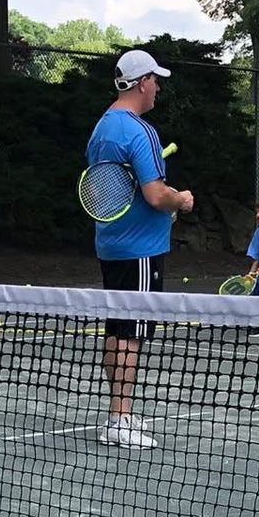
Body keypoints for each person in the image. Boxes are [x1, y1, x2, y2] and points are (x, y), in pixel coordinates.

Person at [86, 48, 194, 450]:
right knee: (131, 333)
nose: (158, 88)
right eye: (155, 80)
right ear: (142, 82)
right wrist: (179, 200)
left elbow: (106, 189)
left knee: (117, 329)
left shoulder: (101, 129)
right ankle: (119, 416)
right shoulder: (140, 132)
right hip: (141, 249)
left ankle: (120, 413)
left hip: (111, 245)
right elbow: (153, 195)